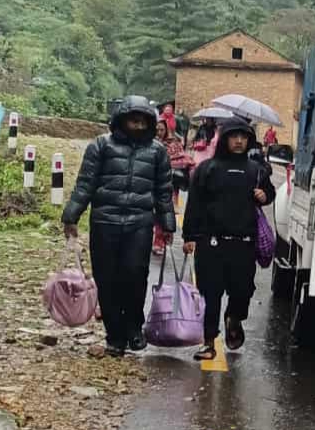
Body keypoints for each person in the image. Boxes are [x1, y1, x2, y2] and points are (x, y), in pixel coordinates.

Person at [61, 95, 178, 358]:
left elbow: (163, 191)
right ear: (121, 120)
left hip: (140, 223)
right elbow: (85, 184)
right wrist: (71, 216)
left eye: (143, 121)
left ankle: (134, 328)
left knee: (135, 275)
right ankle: (114, 335)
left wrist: (167, 224)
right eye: (133, 120)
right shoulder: (101, 146)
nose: (138, 126)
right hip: (105, 221)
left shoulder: (157, 152)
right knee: (107, 279)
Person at [182, 116, 275, 360]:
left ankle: (234, 318)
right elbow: (194, 204)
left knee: (242, 291)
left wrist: (264, 195)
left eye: (243, 137)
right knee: (210, 294)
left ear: (249, 141)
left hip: (244, 243)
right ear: (224, 139)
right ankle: (208, 342)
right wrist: (189, 236)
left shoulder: (256, 171)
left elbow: (270, 193)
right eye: (234, 136)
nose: (239, 141)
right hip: (211, 242)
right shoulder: (207, 169)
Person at [152, 118, 194, 257]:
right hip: (151, 184)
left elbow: (182, 159)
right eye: (156, 129)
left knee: (163, 213)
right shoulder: (148, 143)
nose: (159, 132)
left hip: (169, 185)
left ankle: (160, 242)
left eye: (161, 130)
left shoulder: (174, 144)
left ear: (166, 130)